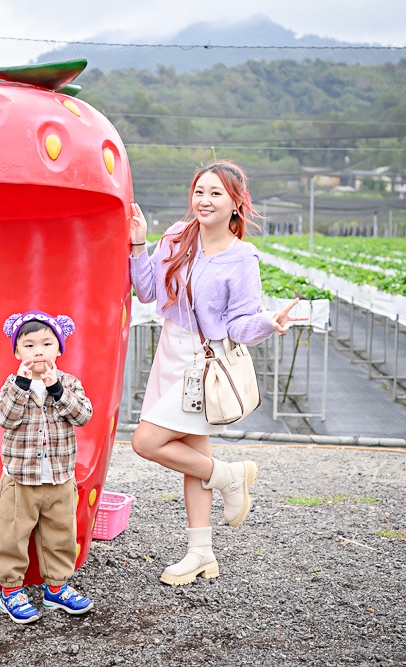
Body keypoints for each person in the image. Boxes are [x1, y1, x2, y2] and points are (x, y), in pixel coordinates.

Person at [128, 159, 306, 586]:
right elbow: (149, 291)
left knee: (145, 441)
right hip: (168, 353)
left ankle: (229, 476)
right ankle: (201, 553)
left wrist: (268, 322)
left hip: (203, 363)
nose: (204, 201)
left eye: (215, 194)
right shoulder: (175, 236)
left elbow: (239, 323)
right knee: (195, 457)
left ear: (236, 204)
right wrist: (138, 246)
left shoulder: (243, 257)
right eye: (200, 191)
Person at [0, 310, 95, 623]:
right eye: (30, 344)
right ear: (18, 352)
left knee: (61, 534)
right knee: (11, 534)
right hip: (20, 479)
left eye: (47, 344)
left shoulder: (69, 383)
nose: (39, 350)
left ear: (59, 350)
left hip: (60, 477)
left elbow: (83, 415)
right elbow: (4, 419)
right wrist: (23, 385)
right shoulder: (13, 384)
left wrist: (57, 390)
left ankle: (57, 589)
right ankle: (11, 591)